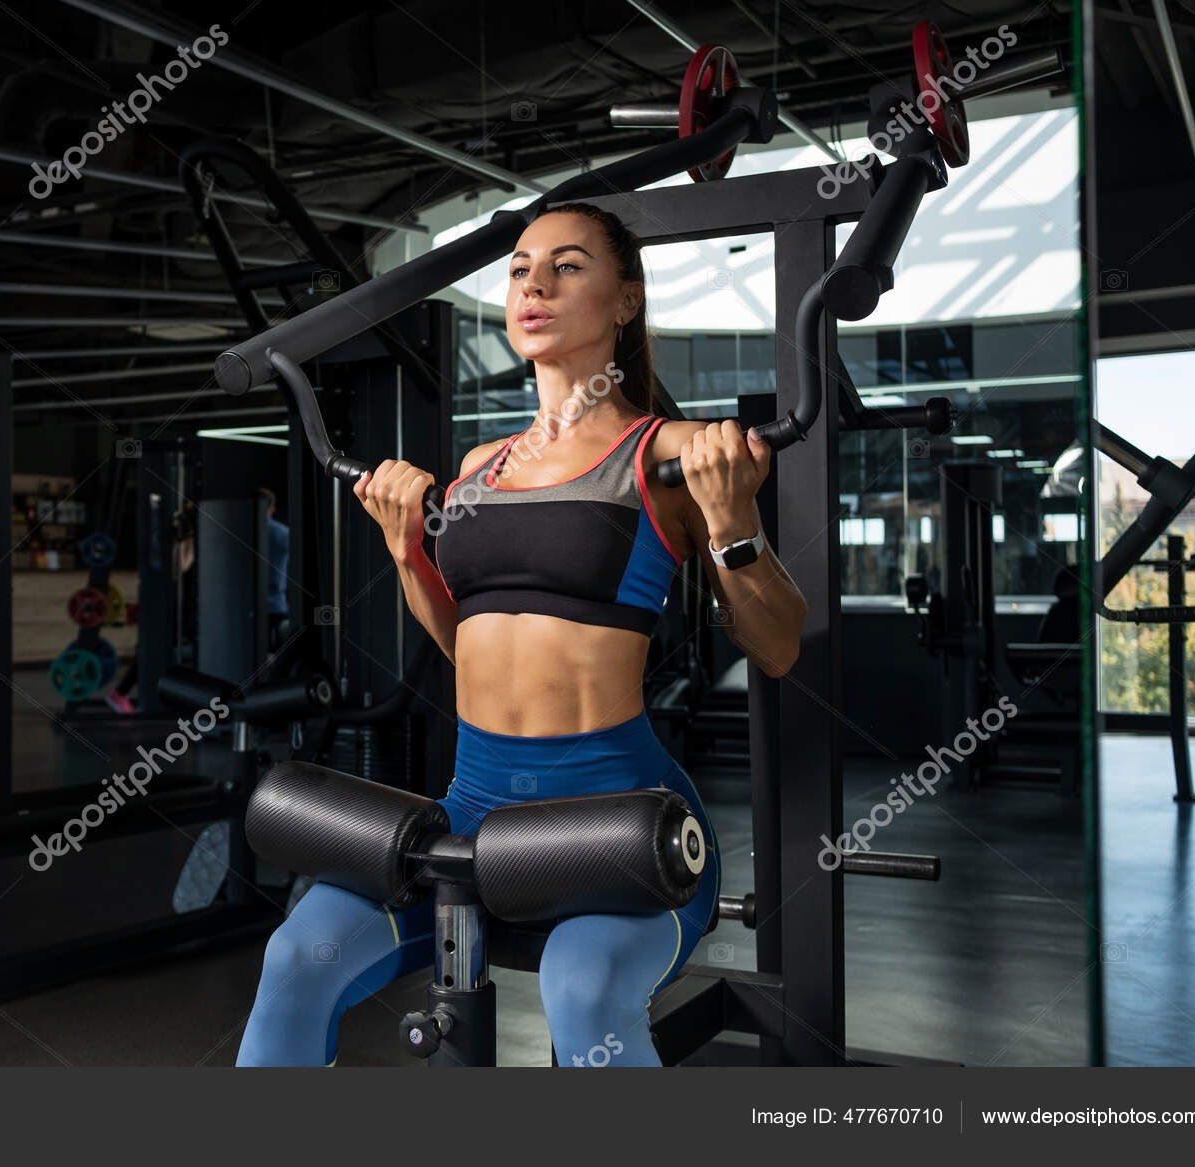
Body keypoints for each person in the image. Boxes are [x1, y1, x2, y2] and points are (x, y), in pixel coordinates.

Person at [234, 202, 807, 1067]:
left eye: (568, 266)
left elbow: (778, 646)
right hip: (471, 813)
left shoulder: (674, 452)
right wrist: (405, 552)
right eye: (518, 268)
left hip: (617, 824)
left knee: (582, 990)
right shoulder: (480, 470)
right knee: (294, 960)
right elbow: (470, 647)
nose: (533, 283)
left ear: (625, 302)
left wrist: (731, 522)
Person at [104, 502, 196, 714]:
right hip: (175, 603)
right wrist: (186, 539)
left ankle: (176, 696)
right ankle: (120, 693)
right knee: (158, 646)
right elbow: (181, 566)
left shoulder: (190, 536)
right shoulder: (186, 538)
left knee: (179, 650)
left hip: (185, 603)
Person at [257, 486, 290, 650]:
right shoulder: (284, 534)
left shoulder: (237, 531)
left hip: (244, 606)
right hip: (276, 604)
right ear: (271, 509)